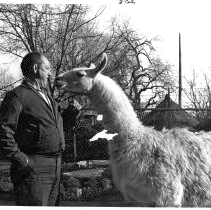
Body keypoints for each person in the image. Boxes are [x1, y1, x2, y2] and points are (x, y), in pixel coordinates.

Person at [0, 52, 65, 206]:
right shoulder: (17, 96)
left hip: (55, 166)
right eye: (47, 68)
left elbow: (53, 129)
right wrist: (21, 159)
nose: (50, 73)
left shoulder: (48, 98)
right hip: (33, 169)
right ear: (36, 68)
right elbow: (3, 130)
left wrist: (70, 114)